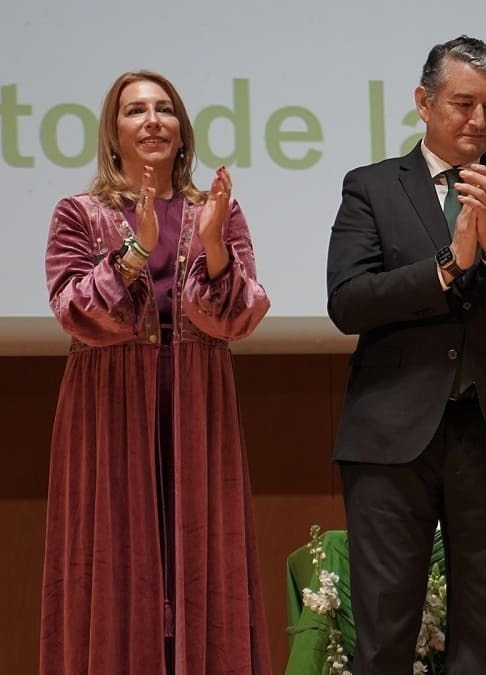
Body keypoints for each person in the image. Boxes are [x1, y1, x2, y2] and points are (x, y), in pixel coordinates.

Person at [326, 35, 486, 674]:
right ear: (424, 101)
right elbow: (348, 301)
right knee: (384, 632)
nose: (478, 122)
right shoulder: (371, 188)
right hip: (389, 435)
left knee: (484, 636)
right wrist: (446, 268)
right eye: (463, 103)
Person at [40, 71, 271, 673]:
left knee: (201, 560)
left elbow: (239, 317)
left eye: (164, 109)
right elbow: (73, 311)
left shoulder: (217, 210)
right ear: (113, 134)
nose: (152, 120)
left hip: (199, 403)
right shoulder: (79, 213)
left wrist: (214, 242)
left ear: (181, 129)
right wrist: (137, 250)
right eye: (135, 110)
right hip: (110, 409)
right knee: (117, 561)